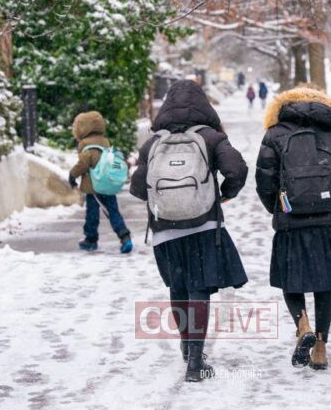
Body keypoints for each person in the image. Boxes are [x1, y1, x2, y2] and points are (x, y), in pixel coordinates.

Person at [130, 80, 248, 383]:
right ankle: (196, 360)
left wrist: (166, 201)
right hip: (203, 226)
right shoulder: (211, 137)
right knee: (199, 289)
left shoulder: (153, 143)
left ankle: (185, 344)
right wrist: (224, 193)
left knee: (178, 287)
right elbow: (237, 169)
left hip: (165, 230)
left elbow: (137, 187)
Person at [255, 85, 331, 370]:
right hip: (327, 223)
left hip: (291, 222)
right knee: (324, 284)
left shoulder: (275, 134)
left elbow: (264, 181)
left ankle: (302, 325)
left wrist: (279, 208)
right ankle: (321, 348)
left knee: (291, 280)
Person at [68, 111, 133, 254]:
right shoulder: (105, 142)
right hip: (107, 185)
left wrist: (72, 175)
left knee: (92, 215)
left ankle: (91, 240)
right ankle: (125, 237)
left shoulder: (86, 145)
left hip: (94, 188)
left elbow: (83, 164)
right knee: (113, 212)